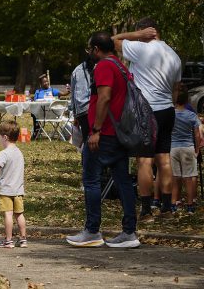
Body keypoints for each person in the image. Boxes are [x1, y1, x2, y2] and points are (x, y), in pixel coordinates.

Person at [66, 31, 139, 249]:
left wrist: (95, 130)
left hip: (105, 133)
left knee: (91, 180)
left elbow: (104, 97)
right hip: (119, 134)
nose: (89, 53)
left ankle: (92, 230)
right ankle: (129, 232)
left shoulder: (104, 66)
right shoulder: (120, 65)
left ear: (96, 49)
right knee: (123, 180)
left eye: (90, 49)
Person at [113, 19, 182, 217]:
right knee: (164, 159)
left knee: (144, 161)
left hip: (145, 110)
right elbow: (176, 90)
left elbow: (110, 41)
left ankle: (145, 209)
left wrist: (135, 36)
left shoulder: (142, 48)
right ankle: (167, 207)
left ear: (145, 32)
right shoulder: (173, 55)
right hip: (167, 110)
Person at [170, 85, 202, 213]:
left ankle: (173, 204)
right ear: (187, 99)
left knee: (175, 177)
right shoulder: (191, 115)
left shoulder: (171, 114)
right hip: (188, 148)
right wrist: (197, 148)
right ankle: (190, 205)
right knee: (188, 178)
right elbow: (197, 134)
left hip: (173, 149)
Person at [69, 52, 96, 142]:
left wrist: (75, 115)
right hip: (94, 109)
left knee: (87, 139)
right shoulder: (101, 66)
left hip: (83, 111)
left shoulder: (77, 70)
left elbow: (73, 94)